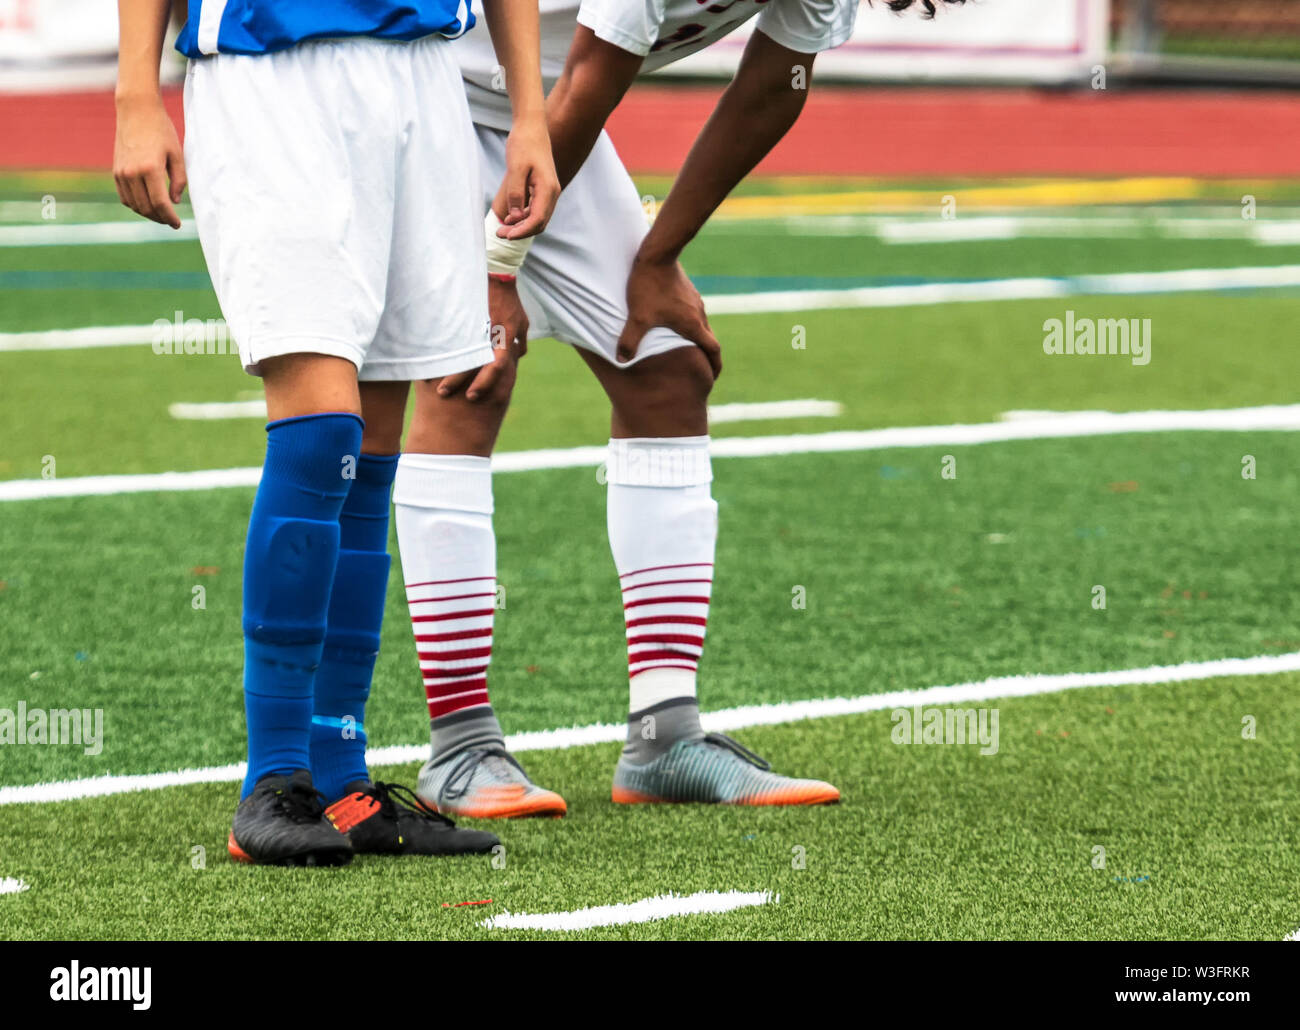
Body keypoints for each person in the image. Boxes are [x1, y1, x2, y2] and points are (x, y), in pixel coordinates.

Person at [402, 0, 963, 819]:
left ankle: (665, 738)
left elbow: (773, 85)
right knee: (471, 371)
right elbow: (594, 77)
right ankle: (459, 744)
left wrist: (659, 257)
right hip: (437, 94)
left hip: (556, 129)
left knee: (666, 369)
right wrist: (497, 274)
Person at [113, 0, 559, 864]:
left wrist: (530, 113)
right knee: (322, 434)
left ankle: (344, 783)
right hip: (269, 74)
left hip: (421, 76)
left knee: (370, 461)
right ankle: (273, 781)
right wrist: (136, 91)